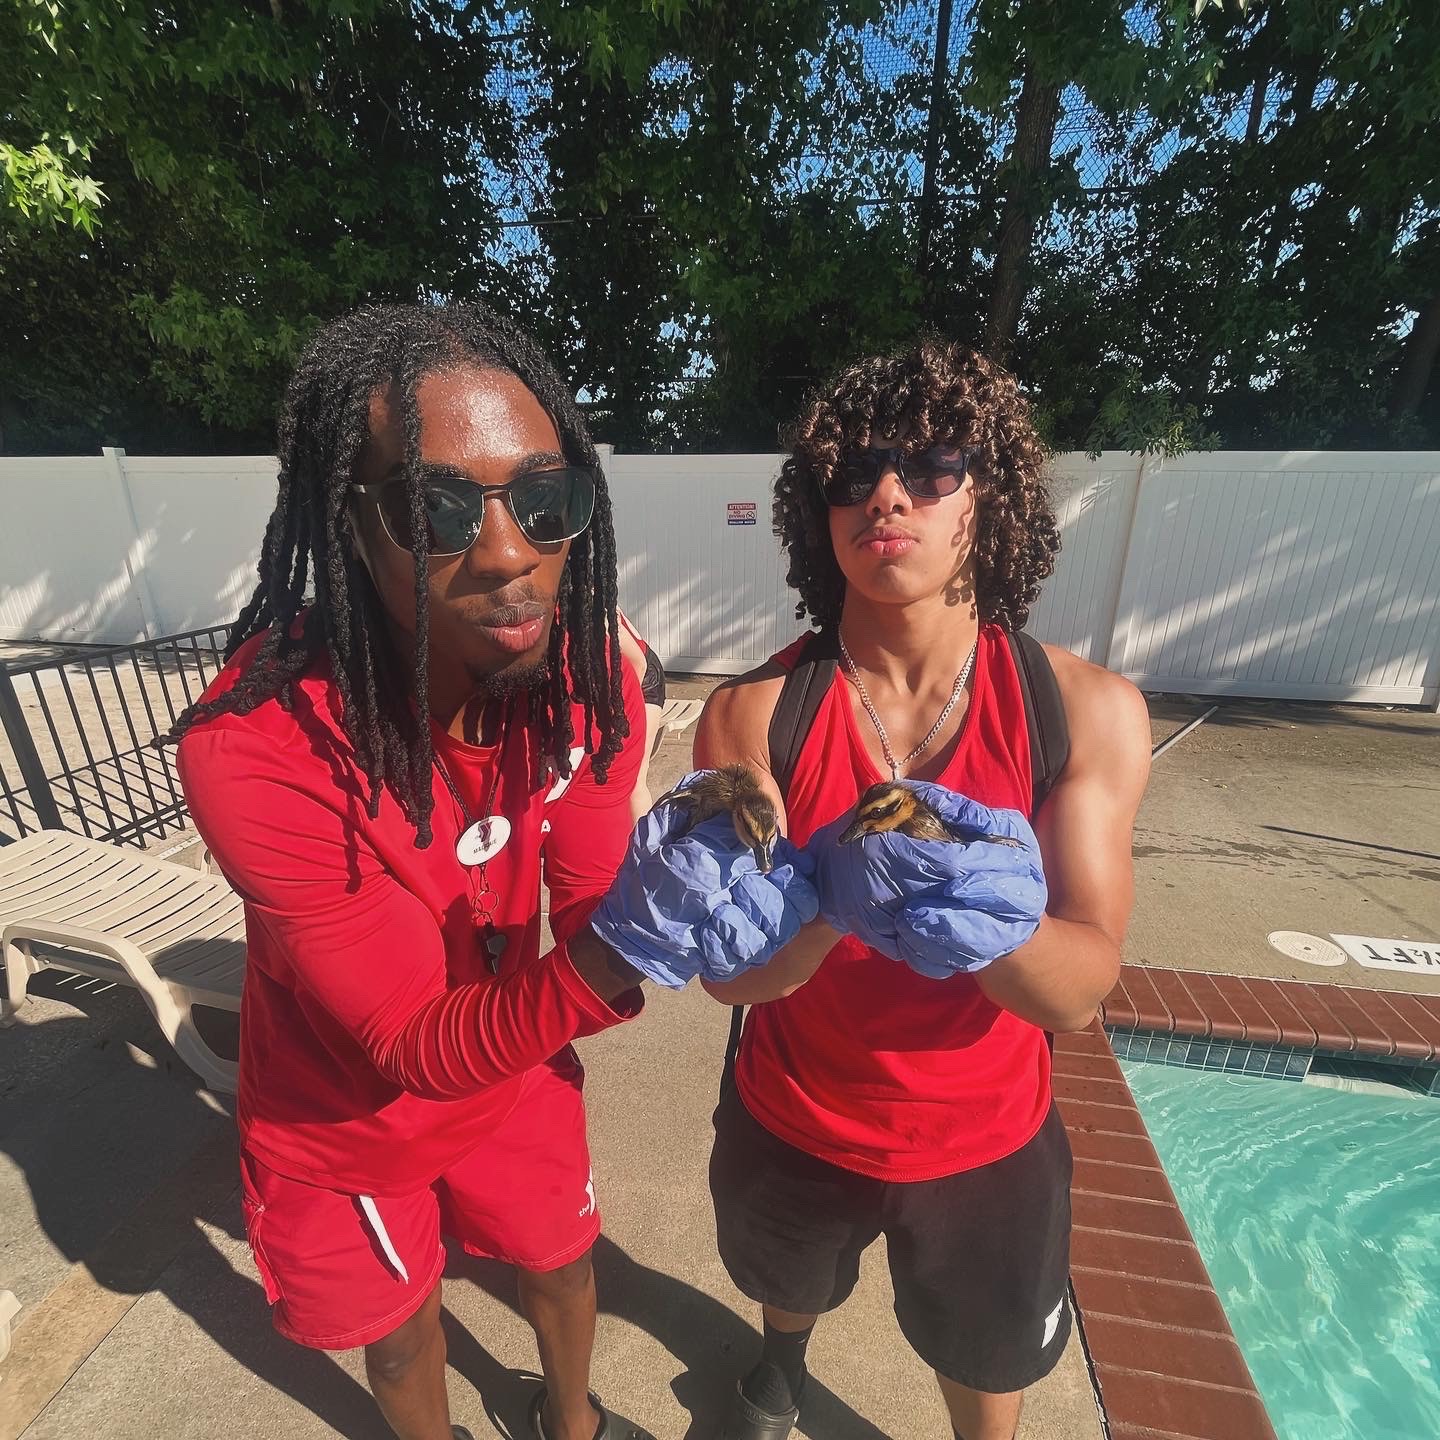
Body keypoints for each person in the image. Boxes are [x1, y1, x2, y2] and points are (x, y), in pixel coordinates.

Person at [171, 302, 815, 1440]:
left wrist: (726, 896)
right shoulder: (257, 747)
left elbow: (587, 912)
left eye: (544, 498)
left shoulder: (590, 682)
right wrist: (628, 946)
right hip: (348, 1115)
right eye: (438, 508)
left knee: (565, 1267)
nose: (511, 549)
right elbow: (414, 1045)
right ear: (351, 522)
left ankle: (574, 1423)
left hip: (514, 1060)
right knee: (404, 1329)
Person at [694, 340, 1152, 1440]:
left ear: (986, 500)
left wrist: (994, 925)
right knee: (789, 1281)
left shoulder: (1083, 712)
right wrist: (818, 911)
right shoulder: (751, 715)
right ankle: (781, 1357)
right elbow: (728, 982)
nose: (886, 493)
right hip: (795, 1112)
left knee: (988, 1368)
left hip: (987, 1137)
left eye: (932, 464)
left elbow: (1079, 993)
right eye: (849, 475)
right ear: (820, 514)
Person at [615, 611, 667, 819]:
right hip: (620, 676)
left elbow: (639, 664)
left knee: (635, 777)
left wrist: (621, 712)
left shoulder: (592, 605)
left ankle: (644, 847)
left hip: (644, 681)